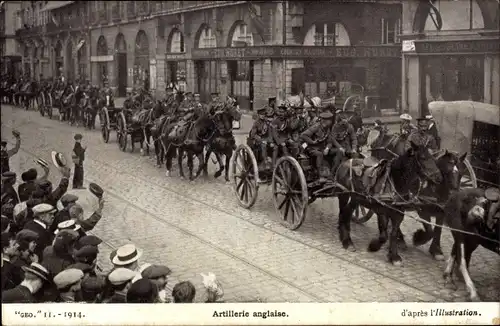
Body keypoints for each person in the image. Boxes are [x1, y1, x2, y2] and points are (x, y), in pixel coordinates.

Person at [300, 111, 336, 182]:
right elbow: (303, 135)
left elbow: (330, 141)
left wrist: (327, 148)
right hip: (311, 148)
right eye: (330, 120)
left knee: (335, 152)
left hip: (321, 148)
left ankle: (332, 173)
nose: (331, 122)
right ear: (324, 120)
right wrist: (312, 142)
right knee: (319, 154)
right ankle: (320, 176)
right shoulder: (316, 127)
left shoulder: (327, 129)